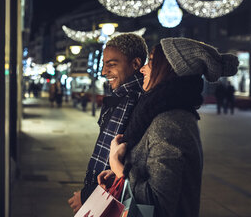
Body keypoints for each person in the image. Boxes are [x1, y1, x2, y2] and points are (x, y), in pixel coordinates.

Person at [98, 38, 238, 217]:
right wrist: (118, 172)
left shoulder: (170, 122)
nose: (143, 69)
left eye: (151, 61)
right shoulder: (155, 110)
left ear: (168, 69)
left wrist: (120, 170)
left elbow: (158, 204)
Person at [68, 33, 148, 213]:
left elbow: (118, 156)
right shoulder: (122, 98)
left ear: (135, 64)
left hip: (112, 194)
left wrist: (88, 194)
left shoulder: (134, 100)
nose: (104, 72)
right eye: (104, 65)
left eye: (111, 64)